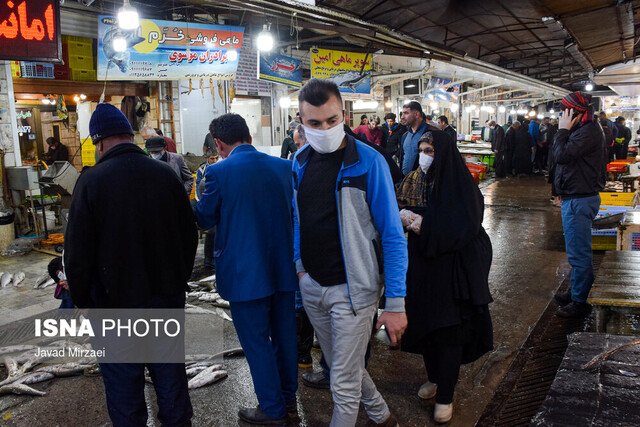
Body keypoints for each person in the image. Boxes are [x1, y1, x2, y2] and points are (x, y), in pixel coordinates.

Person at [64, 102, 198, 427]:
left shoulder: (91, 181)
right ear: (129, 135)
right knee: (171, 380)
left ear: (99, 142)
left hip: (113, 306)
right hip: (165, 301)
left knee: (124, 388)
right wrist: (176, 279)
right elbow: (189, 234)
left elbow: (77, 252)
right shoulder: (165, 174)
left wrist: (81, 299)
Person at [293, 79, 407, 427]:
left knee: (340, 382)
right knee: (345, 366)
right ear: (301, 121)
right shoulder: (299, 161)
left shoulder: (369, 163)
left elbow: (392, 234)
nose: (324, 129)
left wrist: (396, 303)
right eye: (314, 123)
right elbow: (298, 219)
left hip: (353, 291)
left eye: (331, 120)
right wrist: (300, 268)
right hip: (312, 285)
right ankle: (381, 414)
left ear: (343, 114)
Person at [195, 113, 298, 425]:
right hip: (283, 268)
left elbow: (205, 219)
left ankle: (272, 409)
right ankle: (288, 400)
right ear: (250, 137)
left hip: (244, 275)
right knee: (284, 337)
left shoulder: (217, 172)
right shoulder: (286, 167)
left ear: (219, 144)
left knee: (256, 343)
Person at [396, 131, 493, 424]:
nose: (425, 156)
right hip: (422, 266)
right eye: (422, 150)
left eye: (431, 151)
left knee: (450, 331)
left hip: (453, 270)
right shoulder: (413, 180)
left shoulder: (461, 185)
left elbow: (464, 226)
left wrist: (422, 224)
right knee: (426, 326)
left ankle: (446, 394)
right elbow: (396, 206)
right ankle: (435, 377)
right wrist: (402, 217)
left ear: (445, 153)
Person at [553, 92, 606, 318]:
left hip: (580, 198)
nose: (563, 116)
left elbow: (561, 156)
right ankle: (577, 291)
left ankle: (580, 301)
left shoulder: (588, 132)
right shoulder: (585, 129)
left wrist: (562, 130)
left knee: (578, 253)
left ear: (576, 112)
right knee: (577, 249)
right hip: (577, 196)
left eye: (566, 112)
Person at [195, 150, 219, 273]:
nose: (214, 161)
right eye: (212, 159)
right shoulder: (202, 170)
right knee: (212, 232)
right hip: (207, 202)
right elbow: (199, 186)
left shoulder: (221, 167)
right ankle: (209, 260)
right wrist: (203, 203)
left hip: (218, 203)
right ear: (207, 158)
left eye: (216, 158)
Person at [401, 101, 430, 175]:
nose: (402, 117)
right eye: (402, 114)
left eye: (406, 113)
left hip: (423, 181)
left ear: (416, 114)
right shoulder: (405, 135)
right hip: (407, 181)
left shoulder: (431, 133)